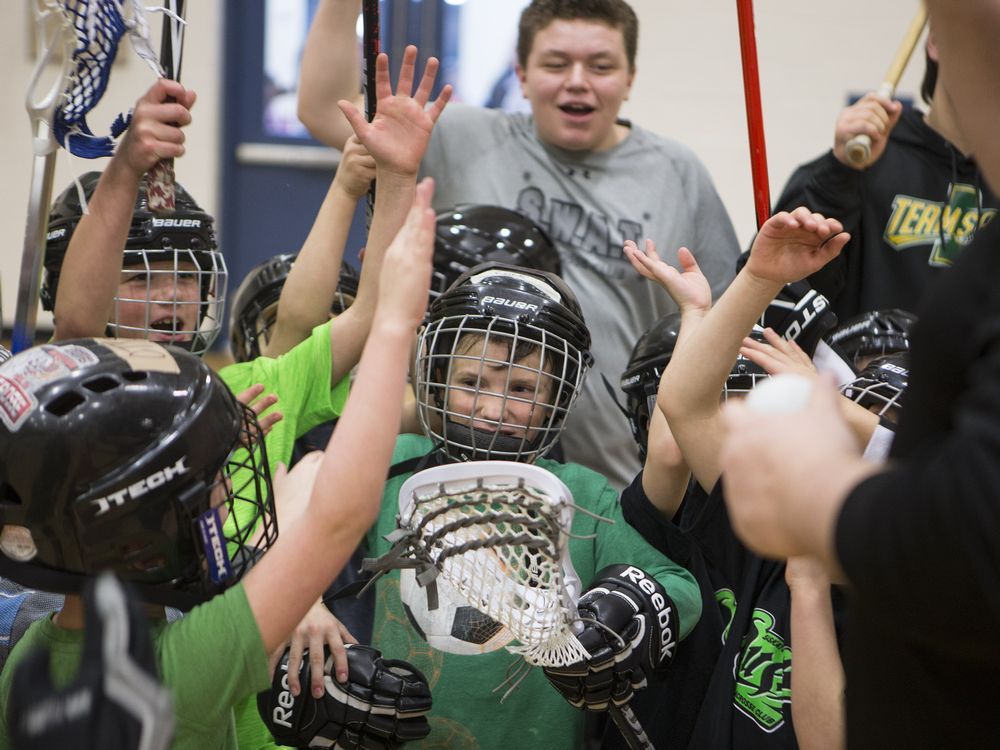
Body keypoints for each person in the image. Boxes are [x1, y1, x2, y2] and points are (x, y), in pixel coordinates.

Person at [0, 180, 438, 748]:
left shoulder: (27, 658)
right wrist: (396, 323)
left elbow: (75, 326)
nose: (228, 496)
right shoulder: (183, 670)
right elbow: (338, 519)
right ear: (148, 538)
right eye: (211, 485)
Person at [298, 0, 741, 488]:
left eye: (601, 65)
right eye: (555, 63)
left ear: (630, 78)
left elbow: (723, 323)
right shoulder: (461, 137)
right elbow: (323, 109)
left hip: (618, 480)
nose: (577, 80)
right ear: (522, 74)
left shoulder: (679, 173)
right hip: (461, 464)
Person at [720, 3, 1000, 745]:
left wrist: (821, 491)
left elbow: (975, 541)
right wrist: (837, 176)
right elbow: (790, 281)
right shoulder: (873, 159)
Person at [772, 34, 998, 321]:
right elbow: (778, 288)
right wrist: (840, 171)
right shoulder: (864, 162)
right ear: (936, 42)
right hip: (864, 362)